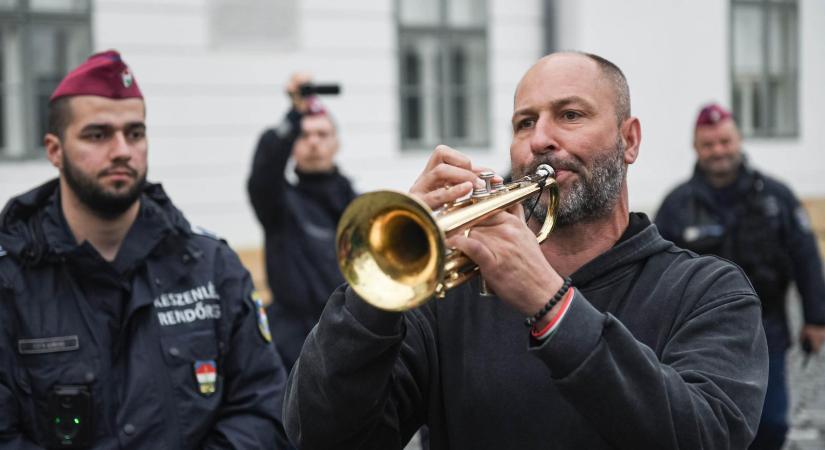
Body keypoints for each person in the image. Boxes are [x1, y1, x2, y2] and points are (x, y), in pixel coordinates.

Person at [283, 52, 769, 449]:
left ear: (629, 140)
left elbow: (708, 436)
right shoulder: (447, 298)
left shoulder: (710, 291)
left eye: (570, 115)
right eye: (523, 123)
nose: (539, 140)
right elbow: (321, 436)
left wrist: (550, 302)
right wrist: (378, 291)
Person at [0, 50, 290, 449]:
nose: (122, 150)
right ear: (54, 150)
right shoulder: (11, 281)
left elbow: (263, 408)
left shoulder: (210, 267)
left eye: (135, 133)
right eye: (97, 134)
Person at [655, 103, 825, 450]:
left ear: (738, 140)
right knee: (705, 425)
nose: (718, 151)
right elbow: (656, 273)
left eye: (724, 141)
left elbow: (806, 257)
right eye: (709, 144)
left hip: (767, 330)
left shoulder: (776, 197)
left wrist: (816, 319)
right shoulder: (676, 205)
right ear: (696, 148)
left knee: (772, 423)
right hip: (698, 335)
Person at [247, 73, 356, 371]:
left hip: (349, 336)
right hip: (292, 347)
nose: (313, 143)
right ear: (292, 145)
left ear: (336, 143)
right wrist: (294, 113)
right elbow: (264, 173)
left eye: (322, 134)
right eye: (304, 135)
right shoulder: (279, 204)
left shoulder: (358, 206)